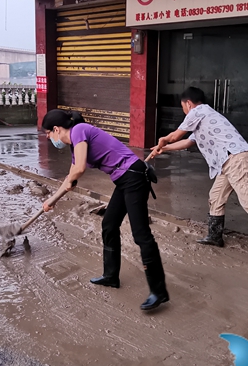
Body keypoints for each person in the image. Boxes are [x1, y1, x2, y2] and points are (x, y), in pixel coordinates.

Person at [41, 109, 169, 311]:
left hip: (134, 176)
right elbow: (70, 178)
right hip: (124, 180)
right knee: (109, 224)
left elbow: (79, 169)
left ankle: (159, 292)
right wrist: (52, 200)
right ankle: (111, 276)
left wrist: (71, 179)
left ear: (56, 129)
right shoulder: (75, 147)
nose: (49, 138)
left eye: (48, 134)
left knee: (141, 234)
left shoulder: (79, 130)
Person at [152, 86, 248, 270]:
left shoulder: (198, 110)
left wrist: (164, 140)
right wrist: (162, 149)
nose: (184, 110)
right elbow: (187, 142)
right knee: (215, 197)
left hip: (235, 158)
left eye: (183, 106)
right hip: (227, 161)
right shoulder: (204, 118)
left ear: (188, 104)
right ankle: (215, 236)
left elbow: (176, 136)